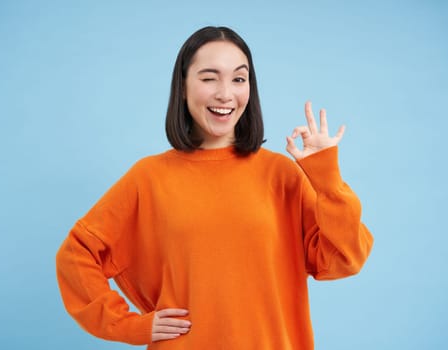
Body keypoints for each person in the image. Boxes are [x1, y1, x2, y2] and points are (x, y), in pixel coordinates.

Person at [56, 26, 373, 349]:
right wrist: (127, 325)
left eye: (238, 79)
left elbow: (346, 259)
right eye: (209, 78)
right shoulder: (149, 177)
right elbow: (77, 254)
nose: (225, 94)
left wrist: (327, 180)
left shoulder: (280, 175)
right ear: (182, 87)